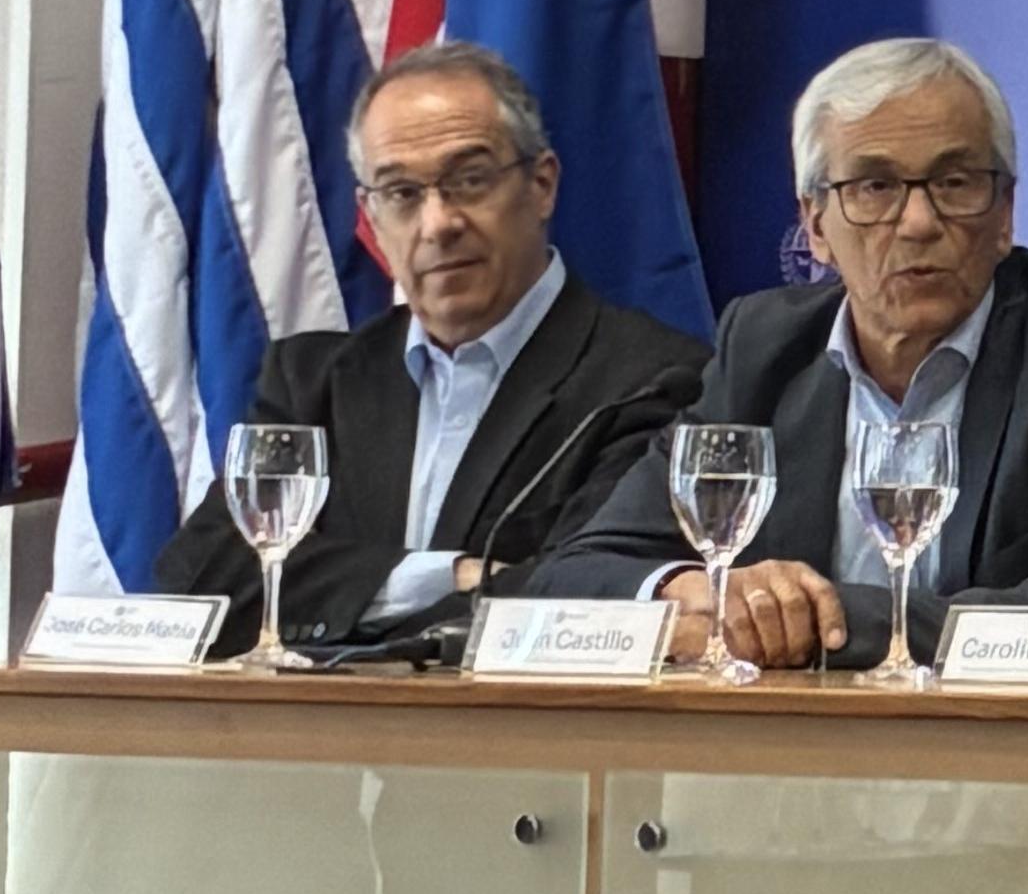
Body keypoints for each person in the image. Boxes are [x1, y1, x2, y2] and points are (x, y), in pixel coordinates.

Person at [528, 36, 1028, 668]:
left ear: (1005, 213)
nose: (920, 223)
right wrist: (685, 590)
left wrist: (820, 615)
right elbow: (576, 573)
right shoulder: (763, 348)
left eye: (954, 182)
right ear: (815, 226)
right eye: (874, 188)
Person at [153, 41, 705, 651]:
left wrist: (339, 585)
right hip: (311, 737)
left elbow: (585, 599)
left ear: (542, 185)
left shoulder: (654, 379)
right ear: (370, 215)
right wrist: (455, 573)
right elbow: (204, 576)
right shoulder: (313, 380)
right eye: (402, 193)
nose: (438, 223)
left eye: (469, 180)